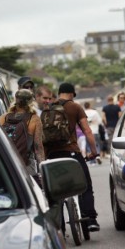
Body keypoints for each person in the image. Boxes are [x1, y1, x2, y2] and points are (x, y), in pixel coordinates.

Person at [45, 83, 100, 232]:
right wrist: (93, 151)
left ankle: (59, 226)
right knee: (85, 186)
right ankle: (90, 220)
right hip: (71, 153)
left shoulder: (47, 108)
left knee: (55, 192)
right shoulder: (75, 107)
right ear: (71, 94)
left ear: (59, 92)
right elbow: (87, 131)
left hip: (51, 156)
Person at [0, 89, 44, 181]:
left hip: (6, 164)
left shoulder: (4, 117)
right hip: (26, 165)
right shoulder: (34, 119)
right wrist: (43, 169)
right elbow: (38, 147)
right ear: (31, 101)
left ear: (15, 99)